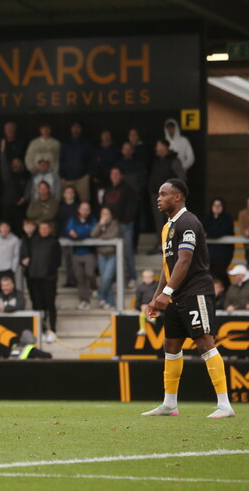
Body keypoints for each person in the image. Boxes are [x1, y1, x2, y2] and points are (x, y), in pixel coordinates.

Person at [142, 179, 234, 418]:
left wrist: (167, 293)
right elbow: (167, 265)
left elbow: (185, 260)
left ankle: (225, 405)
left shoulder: (189, 222)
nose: (158, 198)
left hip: (195, 291)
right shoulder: (167, 227)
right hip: (175, 295)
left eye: (163, 194)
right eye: (158, 194)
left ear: (177, 197)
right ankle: (169, 404)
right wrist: (156, 297)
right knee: (170, 346)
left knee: (204, 342)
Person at [26, 222, 61, 343]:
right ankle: (40, 330)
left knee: (50, 305)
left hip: (48, 279)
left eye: (46, 228)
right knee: (37, 305)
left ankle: (52, 330)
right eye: (42, 228)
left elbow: (57, 261)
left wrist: (47, 271)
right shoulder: (33, 241)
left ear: (50, 229)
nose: (44, 230)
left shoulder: (54, 242)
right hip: (34, 279)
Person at [66, 202, 97, 310]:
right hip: (76, 253)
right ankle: (84, 300)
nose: (85, 211)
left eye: (87, 209)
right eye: (83, 209)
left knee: (90, 273)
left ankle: (94, 287)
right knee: (80, 279)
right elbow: (68, 231)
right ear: (79, 210)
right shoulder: (73, 219)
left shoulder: (93, 219)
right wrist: (78, 233)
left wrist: (78, 234)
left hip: (89, 252)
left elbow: (92, 231)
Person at [90, 207, 121, 309]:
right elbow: (93, 234)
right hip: (101, 254)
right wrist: (100, 225)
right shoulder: (99, 224)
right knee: (104, 279)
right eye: (103, 214)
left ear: (110, 215)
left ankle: (101, 296)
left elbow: (114, 234)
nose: (105, 216)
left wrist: (101, 236)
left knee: (107, 277)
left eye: (107, 214)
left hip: (112, 254)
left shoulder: (114, 223)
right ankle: (110, 302)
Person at [135, 269, 158, 335]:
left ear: (153, 277)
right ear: (143, 278)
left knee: (152, 306)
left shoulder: (156, 286)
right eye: (146, 278)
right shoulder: (140, 287)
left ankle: (152, 317)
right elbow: (138, 298)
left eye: (149, 278)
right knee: (142, 312)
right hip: (144, 306)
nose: (147, 279)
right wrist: (138, 307)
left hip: (154, 305)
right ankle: (142, 329)